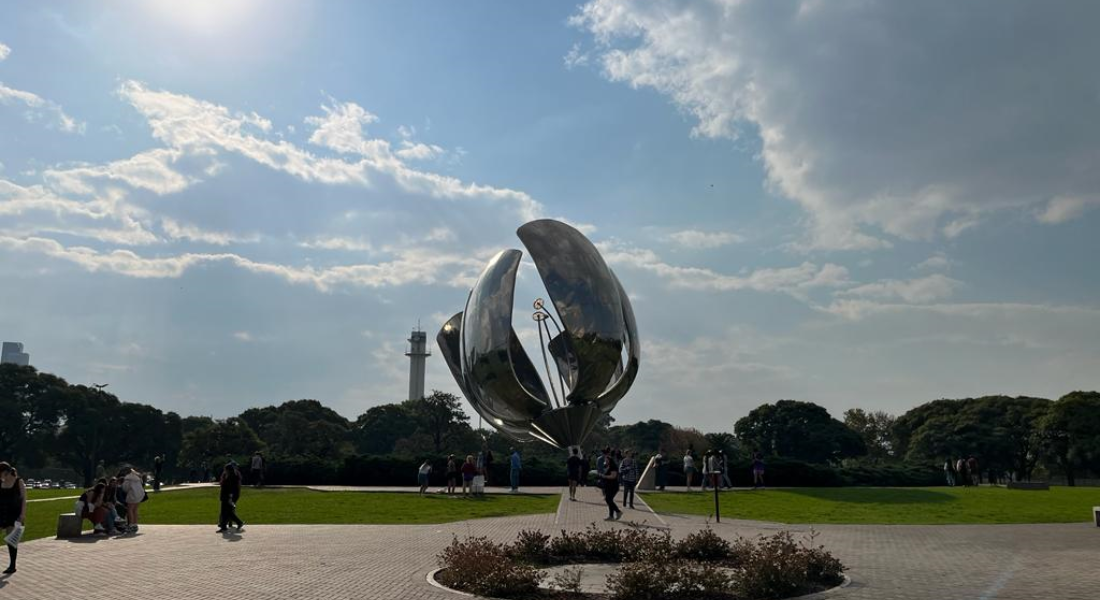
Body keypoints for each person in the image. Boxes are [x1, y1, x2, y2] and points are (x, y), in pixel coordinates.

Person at [0, 463, 27, 574]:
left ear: (6, 472)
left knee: (11, 540)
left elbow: (24, 499)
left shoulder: (18, 482)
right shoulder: (0, 483)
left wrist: (22, 515)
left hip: (14, 514)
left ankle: (12, 565)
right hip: (1, 513)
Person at [217, 463, 244, 533]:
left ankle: (237, 522)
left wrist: (230, 497)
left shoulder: (232, 477)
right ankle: (224, 526)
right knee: (226, 511)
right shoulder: (228, 476)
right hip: (224, 495)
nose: (224, 471)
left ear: (228, 470)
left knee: (227, 511)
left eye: (225, 469)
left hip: (228, 496)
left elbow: (231, 488)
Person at [120, 467, 145, 533]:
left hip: (133, 494)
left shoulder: (127, 479)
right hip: (140, 494)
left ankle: (131, 525)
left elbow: (125, 488)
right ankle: (135, 524)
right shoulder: (137, 477)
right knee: (135, 509)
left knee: (130, 509)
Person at [601, 452, 622, 521]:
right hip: (608, 486)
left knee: (608, 499)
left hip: (613, 486)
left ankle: (618, 511)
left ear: (610, 460)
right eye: (605, 460)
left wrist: (605, 476)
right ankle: (611, 516)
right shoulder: (608, 467)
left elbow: (613, 476)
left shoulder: (613, 467)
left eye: (607, 460)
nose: (605, 461)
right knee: (609, 500)